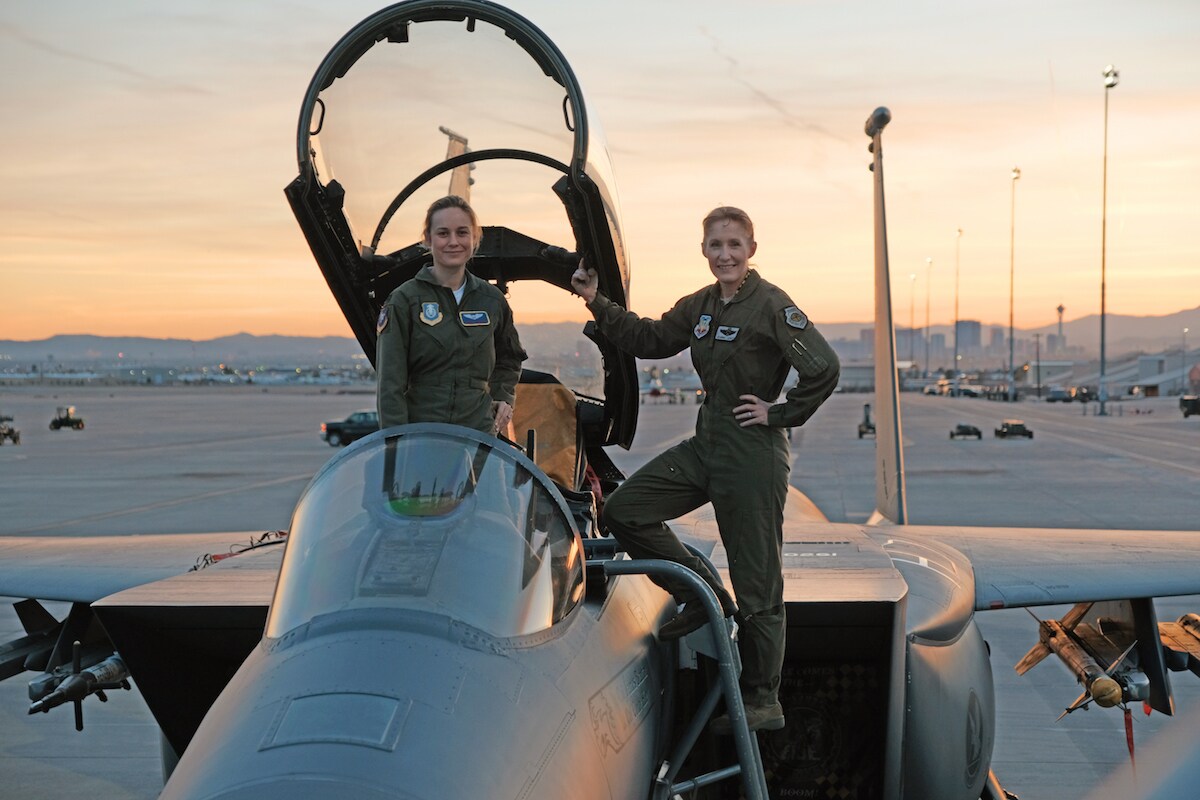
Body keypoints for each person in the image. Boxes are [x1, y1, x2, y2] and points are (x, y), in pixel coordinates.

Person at [570, 206, 839, 734]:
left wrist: (778, 413)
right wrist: (594, 300)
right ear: (704, 250)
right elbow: (649, 338)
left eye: (735, 244)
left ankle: (762, 698)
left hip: (752, 457)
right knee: (625, 510)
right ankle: (700, 592)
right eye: (716, 245)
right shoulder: (701, 305)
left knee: (759, 583)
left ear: (751, 249)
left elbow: (823, 368)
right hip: (706, 445)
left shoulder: (772, 305)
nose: (725, 254)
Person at [376, 195, 527, 435]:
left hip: (478, 435)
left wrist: (502, 396)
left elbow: (510, 357)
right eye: (443, 233)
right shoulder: (404, 300)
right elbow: (390, 385)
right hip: (423, 435)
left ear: (475, 238)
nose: (453, 242)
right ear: (428, 239)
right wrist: (398, 446)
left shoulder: (491, 300)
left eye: (462, 233)